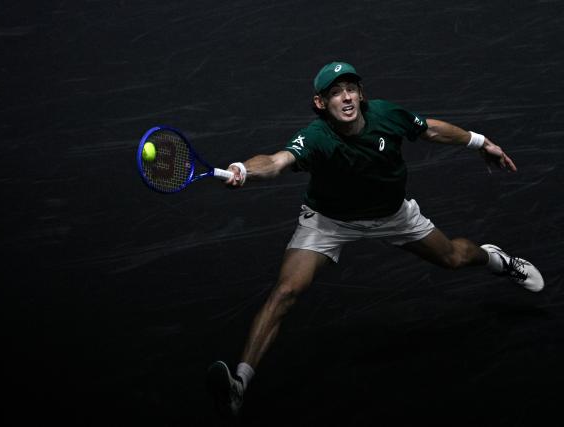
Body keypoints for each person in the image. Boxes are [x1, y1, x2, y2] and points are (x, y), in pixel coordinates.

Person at [206, 61, 544, 417]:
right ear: (321, 103)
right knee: (287, 290)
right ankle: (239, 384)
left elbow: (431, 130)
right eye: (335, 93)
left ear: (361, 94)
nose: (346, 97)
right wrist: (244, 169)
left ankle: (497, 260)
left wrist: (481, 142)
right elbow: (277, 161)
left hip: (392, 215)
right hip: (330, 221)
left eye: (350, 88)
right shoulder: (317, 136)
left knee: (454, 259)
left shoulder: (385, 115)